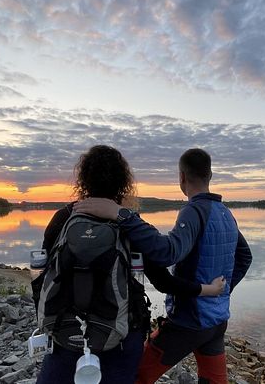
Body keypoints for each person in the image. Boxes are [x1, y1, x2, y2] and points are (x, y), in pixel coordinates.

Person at [35, 145, 226, 384]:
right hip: (122, 333)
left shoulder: (64, 217)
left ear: (83, 179)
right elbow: (164, 282)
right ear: (123, 182)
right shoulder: (130, 224)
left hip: (66, 330)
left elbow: (45, 271)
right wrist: (205, 290)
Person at [75, 148, 253, 384]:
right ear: (210, 175)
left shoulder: (194, 210)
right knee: (214, 380)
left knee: (135, 375)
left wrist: (123, 215)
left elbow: (167, 253)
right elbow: (245, 257)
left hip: (188, 322)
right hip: (217, 321)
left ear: (181, 177)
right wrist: (222, 291)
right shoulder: (226, 213)